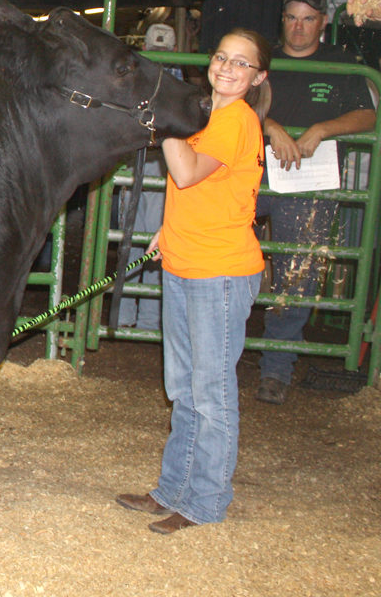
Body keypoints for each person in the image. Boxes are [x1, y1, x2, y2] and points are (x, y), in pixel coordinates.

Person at [117, 28, 269, 534]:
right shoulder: (208, 114)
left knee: (210, 391)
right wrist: (169, 229)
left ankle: (204, 501)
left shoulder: (235, 121)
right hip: (187, 262)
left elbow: (185, 174)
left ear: (257, 77)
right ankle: (173, 489)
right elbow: (205, 192)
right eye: (222, 58)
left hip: (220, 272)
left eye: (241, 63)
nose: (227, 68)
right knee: (183, 386)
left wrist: (168, 121)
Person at [255, 0, 376, 405]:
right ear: (282, 20)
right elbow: (234, 102)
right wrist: (270, 127)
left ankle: (276, 368)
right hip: (253, 171)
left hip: (310, 180)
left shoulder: (343, 63)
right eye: (292, 17)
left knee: (298, 273)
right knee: (223, 254)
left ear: (323, 23)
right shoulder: (261, 58)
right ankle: (219, 352)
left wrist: (322, 129)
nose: (299, 27)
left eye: (308, 18)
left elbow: (367, 113)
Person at [114, 23, 182, 330]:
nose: (159, 60)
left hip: (163, 163)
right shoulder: (138, 77)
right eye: (154, 53)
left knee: (150, 237)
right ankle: (128, 314)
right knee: (132, 235)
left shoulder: (173, 79)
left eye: (164, 53)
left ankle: (148, 318)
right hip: (136, 159)